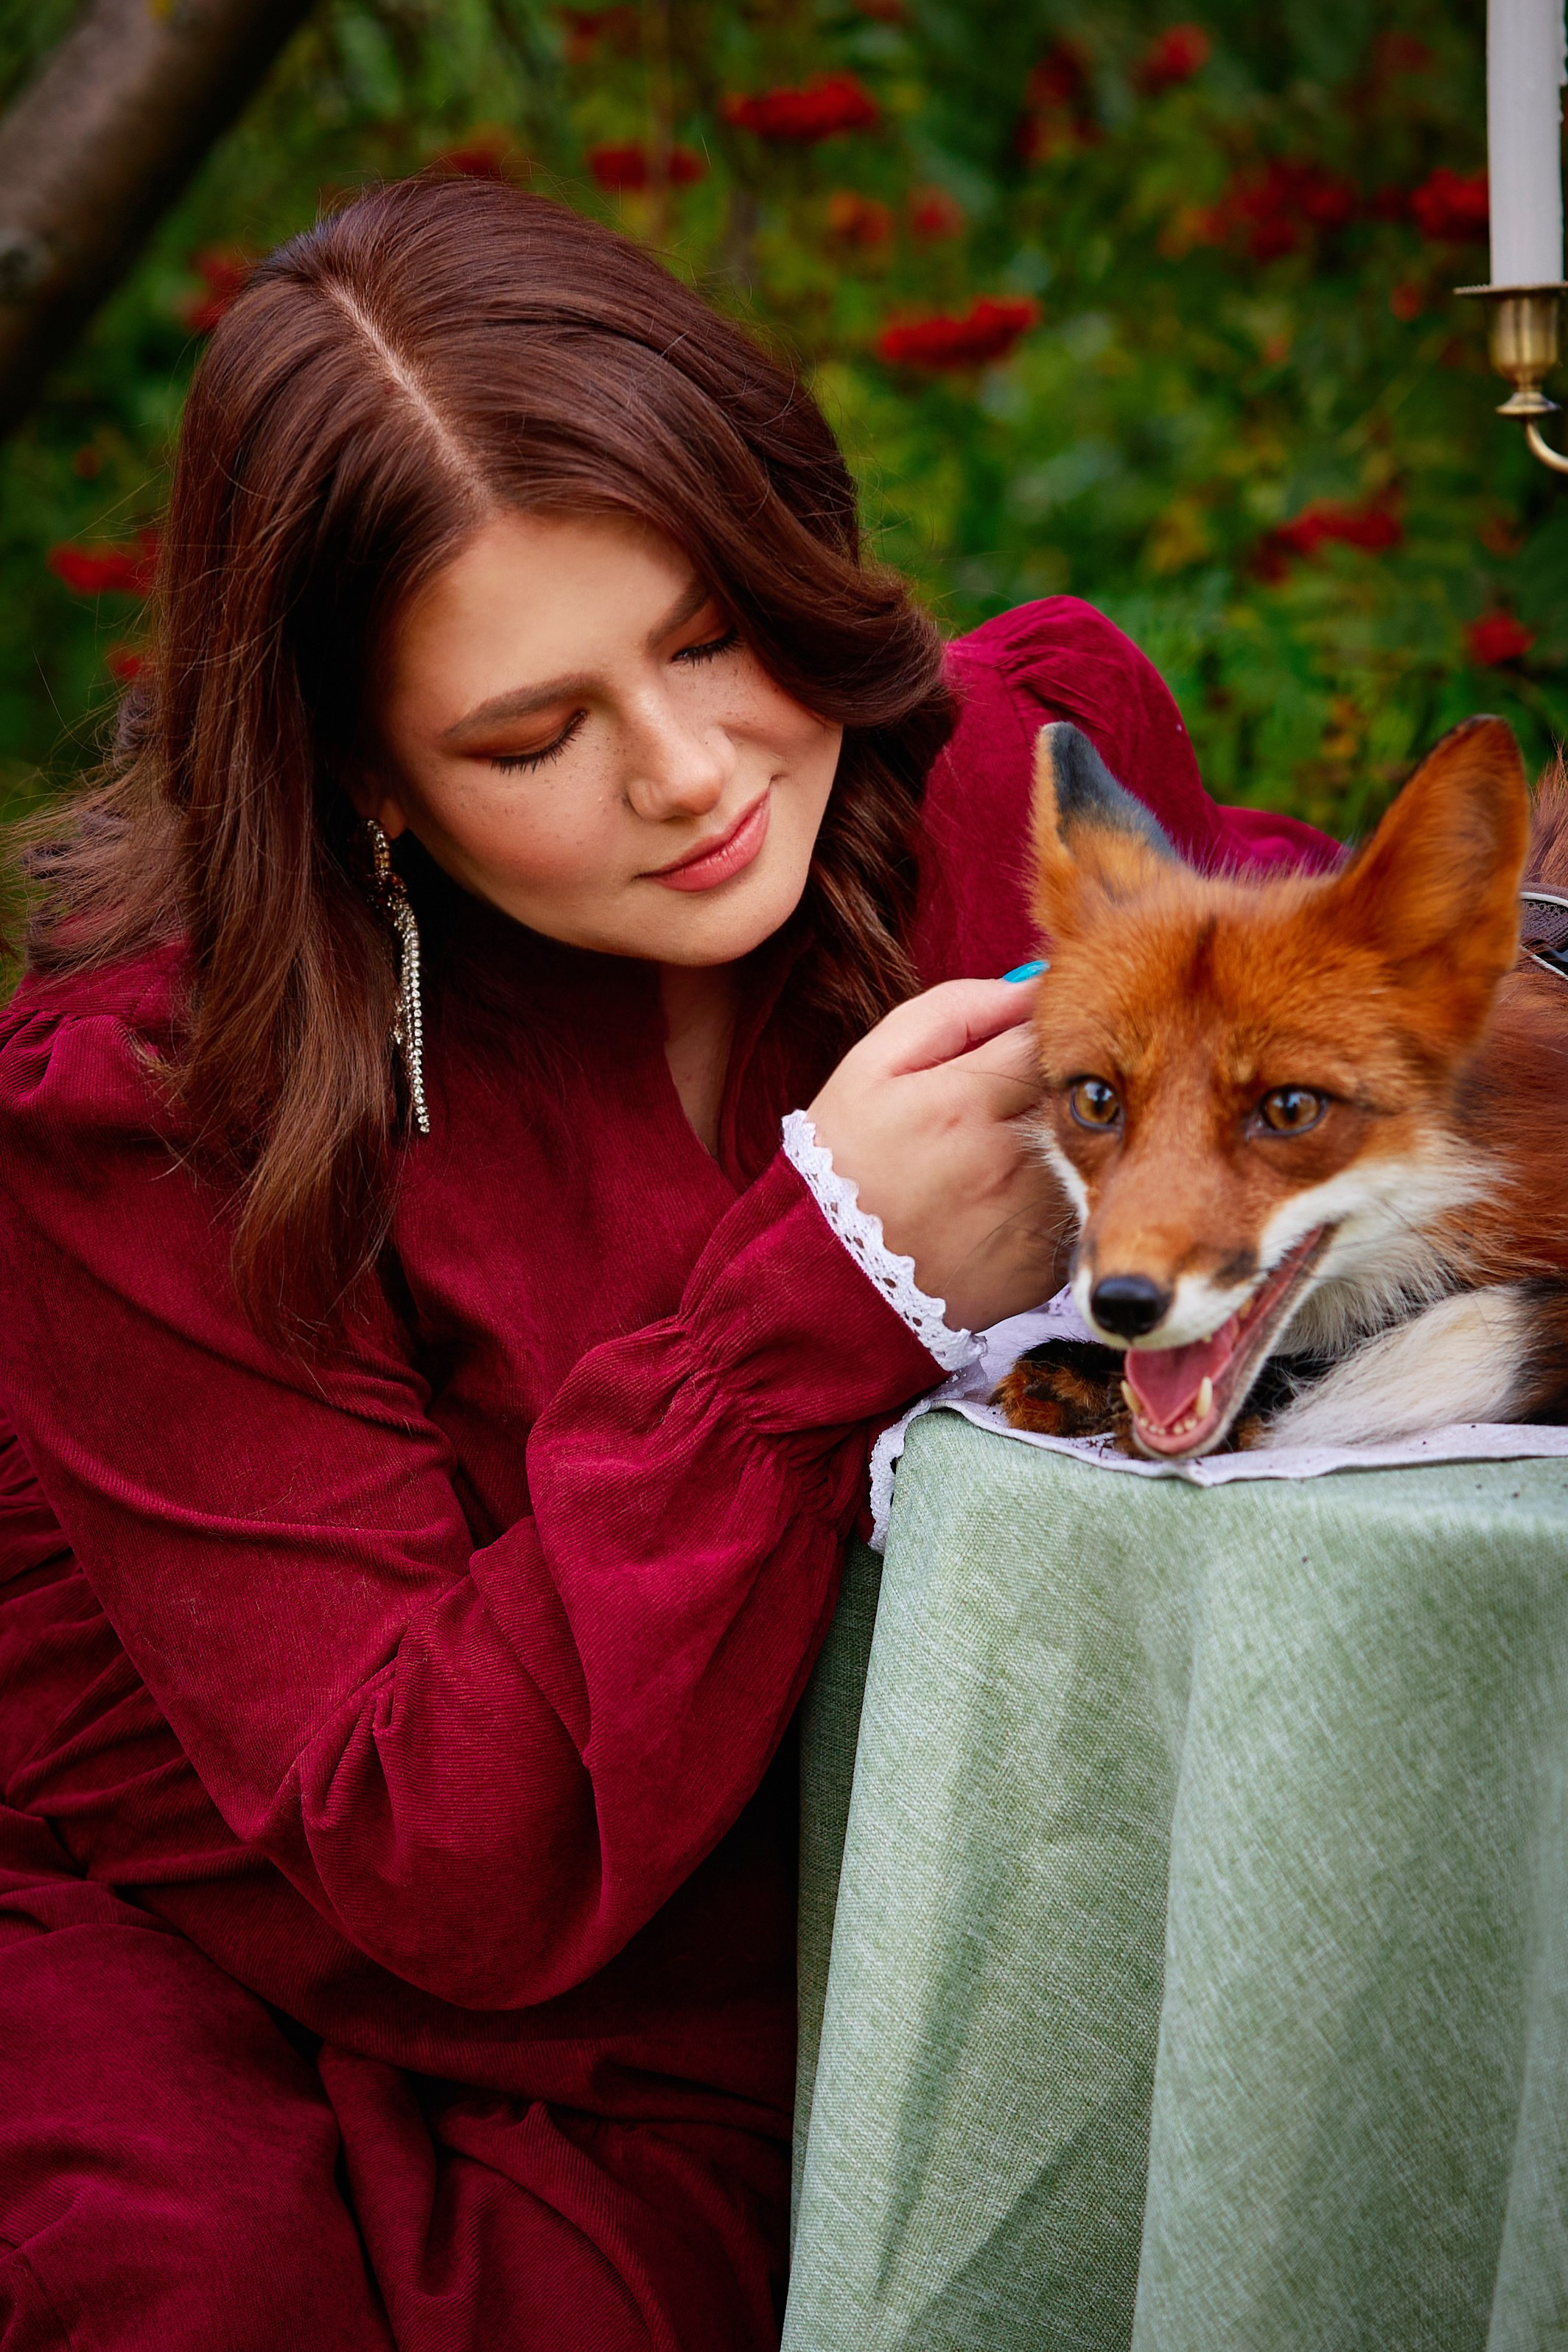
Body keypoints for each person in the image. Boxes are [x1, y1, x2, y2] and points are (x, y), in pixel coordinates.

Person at [0, 178, 1331, 2352]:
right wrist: (828, 1291)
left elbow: (1367, 1025)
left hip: (893, 1920)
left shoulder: (994, 774)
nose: (694, 775)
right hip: (287, 1964)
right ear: (362, 778)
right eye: (532, 740)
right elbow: (430, 1845)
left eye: (711, 631)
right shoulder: (157, 1115)